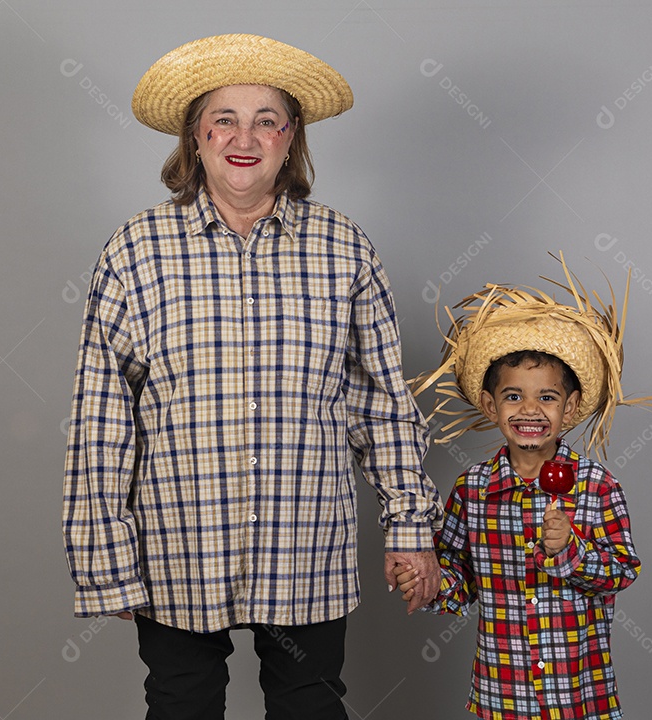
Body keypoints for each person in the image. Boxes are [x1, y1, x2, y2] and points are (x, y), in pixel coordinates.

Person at [62, 34, 443, 720]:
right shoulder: (135, 251)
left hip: (307, 545)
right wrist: (106, 557)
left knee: (310, 705)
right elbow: (102, 416)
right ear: (196, 136)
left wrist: (411, 526)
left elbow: (382, 401)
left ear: (291, 138)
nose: (246, 136)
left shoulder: (343, 247)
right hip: (179, 543)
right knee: (181, 705)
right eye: (225, 119)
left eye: (267, 119)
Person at [397, 255, 652, 719]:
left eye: (546, 397)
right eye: (513, 396)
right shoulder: (473, 490)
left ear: (570, 407)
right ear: (489, 405)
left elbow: (622, 572)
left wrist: (571, 550)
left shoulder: (597, 486)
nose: (529, 410)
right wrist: (428, 585)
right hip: (503, 695)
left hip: (579, 695)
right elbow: (459, 580)